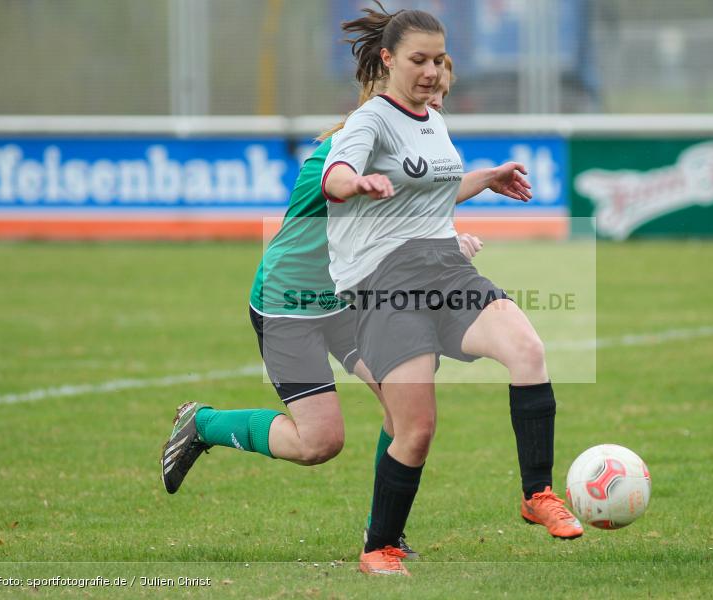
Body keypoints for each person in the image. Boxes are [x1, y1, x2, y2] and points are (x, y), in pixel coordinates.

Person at [159, 58, 476, 559]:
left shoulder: (402, 150)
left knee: (406, 408)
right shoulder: (342, 156)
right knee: (319, 443)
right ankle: (202, 424)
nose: (436, 107)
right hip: (290, 304)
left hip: (349, 303)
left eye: (441, 98)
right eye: (428, 97)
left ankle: (383, 536)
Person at [322, 3, 583, 576]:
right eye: (419, 60)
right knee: (415, 431)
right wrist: (356, 183)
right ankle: (379, 548)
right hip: (385, 284)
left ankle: (536, 493)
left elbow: (430, 193)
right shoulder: (370, 120)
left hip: (444, 268)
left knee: (528, 350)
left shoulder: (433, 119)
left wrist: (484, 180)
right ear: (388, 59)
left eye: (439, 60)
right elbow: (334, 174)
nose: (432, 71)